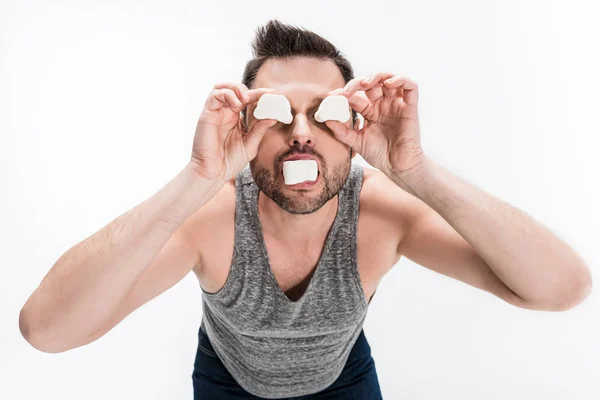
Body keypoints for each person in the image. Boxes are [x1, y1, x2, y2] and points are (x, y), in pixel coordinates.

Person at [19, 19, 592, 400]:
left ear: (354, 129)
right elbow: (47, 330)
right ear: (244, 128)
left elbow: (562, 288)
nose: (300, 134)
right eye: (276, 112)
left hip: (344, 379)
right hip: (228, 381)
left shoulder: (383, 215)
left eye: (324, 113)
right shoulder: (210, 218)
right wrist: (196, 179)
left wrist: (416, 171)